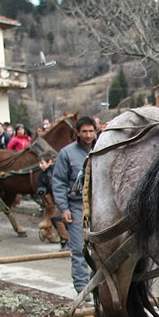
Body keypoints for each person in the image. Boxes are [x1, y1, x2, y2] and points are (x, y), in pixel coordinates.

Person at [52, 115, 97, 294]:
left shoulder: (103, 149)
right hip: (77, 207)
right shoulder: (66, 153)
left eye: (91, 131)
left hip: (99, 206)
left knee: (101, 251)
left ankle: (98, 288)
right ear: (77, 132)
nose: (88, 135)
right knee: (79, 251)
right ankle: (82, 289)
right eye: (84, 131)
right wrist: (64, 208)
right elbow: (58, 182)